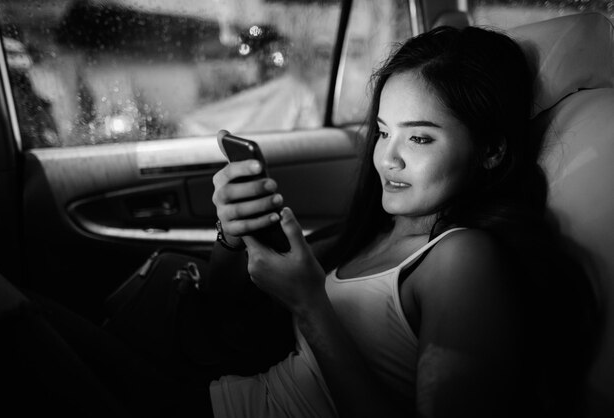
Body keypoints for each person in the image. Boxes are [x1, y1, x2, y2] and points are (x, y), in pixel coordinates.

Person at [208, 25, 598, 418]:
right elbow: (219, 310)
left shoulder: (463, 258)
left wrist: (310, 305)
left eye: (420, 139)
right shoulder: (376, 233)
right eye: (382, 131)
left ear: (492, 150)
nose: (387, 158)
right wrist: (233, 234)